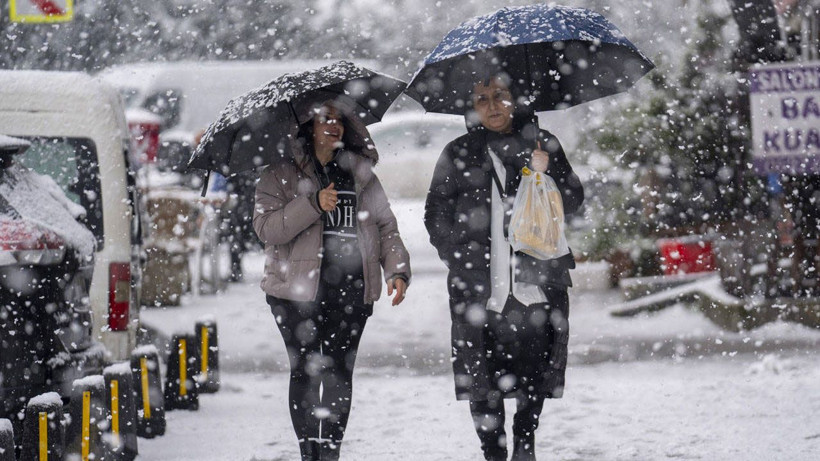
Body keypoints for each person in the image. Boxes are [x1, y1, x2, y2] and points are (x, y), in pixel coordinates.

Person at [424, 74, 584, 461]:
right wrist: (459, 259)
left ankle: (525, 444)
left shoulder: (543, 144)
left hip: (536, 280)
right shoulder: (458, 151)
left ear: (516, 99)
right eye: (482, 98)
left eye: (500, 96)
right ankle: (492, 452)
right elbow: (436, 213)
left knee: (533, 367)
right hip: (479, 286)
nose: (492, 105)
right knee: (481, 373)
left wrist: (547, 173)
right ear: (472, 106)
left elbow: (574, 201)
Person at [253, 100, 411, 461]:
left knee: (339, 373)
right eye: (325, 118)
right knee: (306, 371)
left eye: (339, 120)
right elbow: (267, 229)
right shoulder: (278, 173)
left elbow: (386, 227)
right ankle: (310, 452)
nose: (334, 126)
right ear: (308, 126)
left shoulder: (360, 173)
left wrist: (398, 270)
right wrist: (312, 204)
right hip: (295, 294)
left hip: (353, 290)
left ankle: (331, 452)